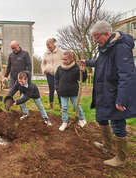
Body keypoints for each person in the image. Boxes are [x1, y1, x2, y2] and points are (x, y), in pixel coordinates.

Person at [83, 20, 136, 167]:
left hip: (115, 93)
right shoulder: (106, 47)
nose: (94, 41)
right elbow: (101, 63)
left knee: (117, 123)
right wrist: (86, 62)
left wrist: (122, 99)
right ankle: (106, 146)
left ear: (106, 34)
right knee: (101, 117)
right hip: (104, 91)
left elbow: (127, 75)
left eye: (96, 37)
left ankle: (121, 158)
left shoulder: (120, 48)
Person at [55, 51, 87, 131]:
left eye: (65, 59)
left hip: (73, 91)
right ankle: (64, 122)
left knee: (76, 106)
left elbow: (82, 79)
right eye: (63, 59)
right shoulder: (59, 68)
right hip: (63, 92)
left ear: (71, 59)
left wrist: (83, 71)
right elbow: (56, 79)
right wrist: (57, 88)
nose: (64, 61)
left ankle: (82, 120)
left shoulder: (76, 68)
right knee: (64, 108)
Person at [42, 38, 63, 110]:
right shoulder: (46, 53)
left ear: (53, 44)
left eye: (49, 45)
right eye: (46, 45)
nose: (48, 47)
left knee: (59, 89)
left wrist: (63, 69)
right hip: (49, 73)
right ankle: (51, 106)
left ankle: (61, 106)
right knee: (51, 89)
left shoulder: (60, 52)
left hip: (59, 74)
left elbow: (65, 60)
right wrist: (44, 69)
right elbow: (43, 63)